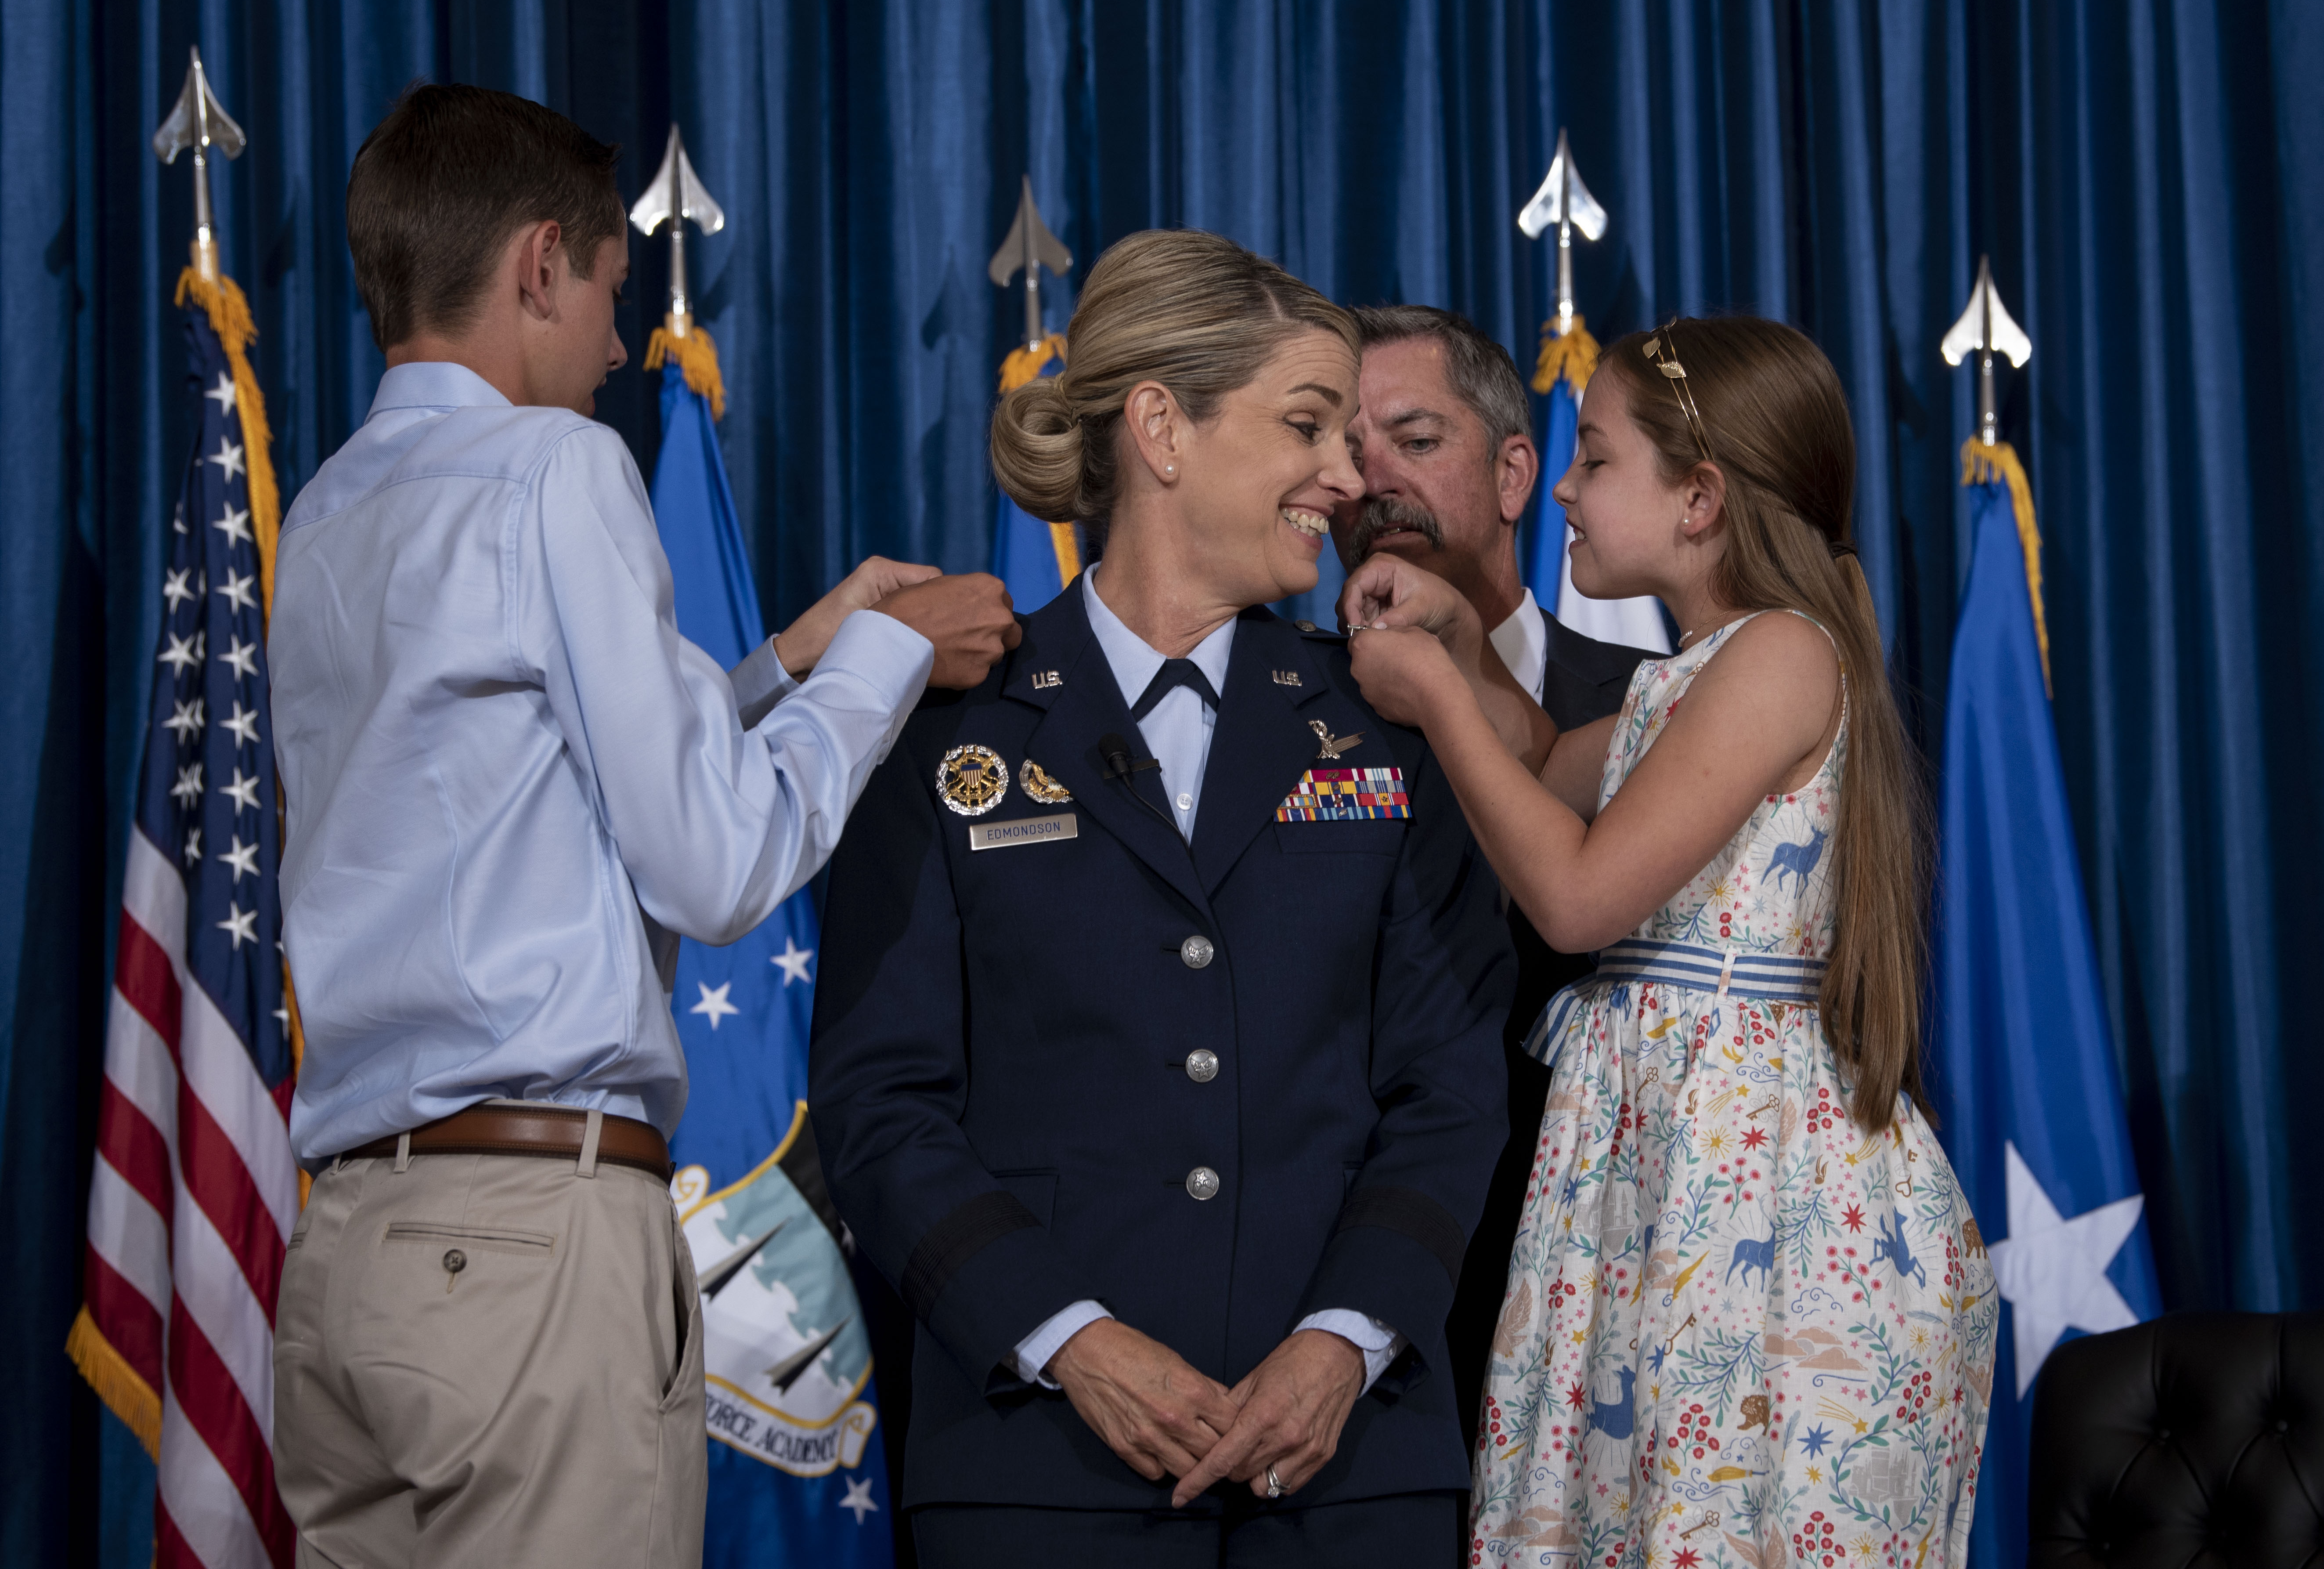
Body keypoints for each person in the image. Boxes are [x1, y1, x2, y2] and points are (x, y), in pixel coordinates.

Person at [267, 84, 1018, 1569]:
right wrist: (889, 659)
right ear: (541, 264)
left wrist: (786, 662)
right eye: (611, 294)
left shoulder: (331, 509)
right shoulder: (556, 466)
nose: (622, 348)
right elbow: (717, 863)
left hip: (351, 1257)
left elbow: (510, 786)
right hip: (531, 1244)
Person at [808, 230, 1514, 1568]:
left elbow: (1453, 1085)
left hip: (1348, 1475)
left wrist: (1340, 1341)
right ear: (1160, 431)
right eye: (1308, 423)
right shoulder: (946, 732)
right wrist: (1071, 1339)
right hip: (1036, 1474)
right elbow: (879, 1100)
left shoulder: (1384, 729)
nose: (1348, 475)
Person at [1340, 316, 1998, 1564]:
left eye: (1591, 459)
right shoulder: (1684, 674)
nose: (1567, 493)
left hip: (1764, 1214)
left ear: (1699, 499)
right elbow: (1541, 758)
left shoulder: (1784, 656)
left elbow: (1580, 899)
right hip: (1660, 1178)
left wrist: (1431, 697)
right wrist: (1462, 643)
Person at [1332, 304, 1654, 1452]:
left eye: (1413, 439)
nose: (1371, 473)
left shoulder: (1669, 700)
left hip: (1619, 1282)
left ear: (1516, 472)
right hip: (1337, 1316)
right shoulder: (1262, 709)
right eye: (1340, 439)